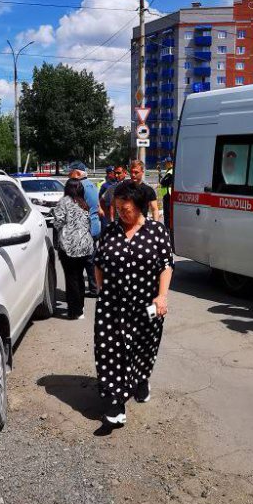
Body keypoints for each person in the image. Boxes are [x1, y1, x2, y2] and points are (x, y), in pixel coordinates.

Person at [93, 180, 174, 429]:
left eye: (126, 209)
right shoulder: (110, 232)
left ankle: (140, 380)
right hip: (112, 306)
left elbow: (166, 265)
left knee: (142, 349)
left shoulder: (157, 232)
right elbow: (98, 262)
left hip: (146, 305)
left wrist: (162, 296)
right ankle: (115, 405)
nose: (121, 214)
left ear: (139, 207)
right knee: (110, 352)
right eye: (117, 209)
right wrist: (101, 289)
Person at [52, 179, 96, 320]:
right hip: (85, 244)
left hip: (69, 246)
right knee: (79, 277)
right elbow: (88, 223)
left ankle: (74, 311)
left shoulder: (64, 202)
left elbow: (58, 223)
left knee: (71, 279)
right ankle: (80, 307)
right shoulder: (83, 203)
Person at [69, 166, 102, 296]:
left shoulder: (78, 186)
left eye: (70, 173)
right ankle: (95, 288)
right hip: (94, 227)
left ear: (77, 173)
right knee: (90, 260)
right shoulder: (92, 185)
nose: (69, 176)